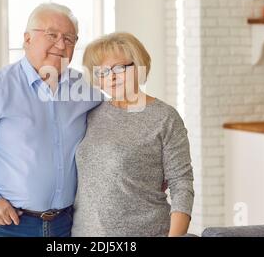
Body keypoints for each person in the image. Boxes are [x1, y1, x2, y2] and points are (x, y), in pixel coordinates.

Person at [0, 3, 101, 237]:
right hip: (7, 227)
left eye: (69, 38)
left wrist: (156, 166)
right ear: (27, 39)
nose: (61, 44)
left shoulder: (85, 89)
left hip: (65, 225)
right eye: (51, 35)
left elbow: (118, 120)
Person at [72, 32, 194, 237]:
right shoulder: (91, 113)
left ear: (138, 67)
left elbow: (181, 183)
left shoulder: (165, 117)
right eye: (102, 71)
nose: (111, 77)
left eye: (119, 68)